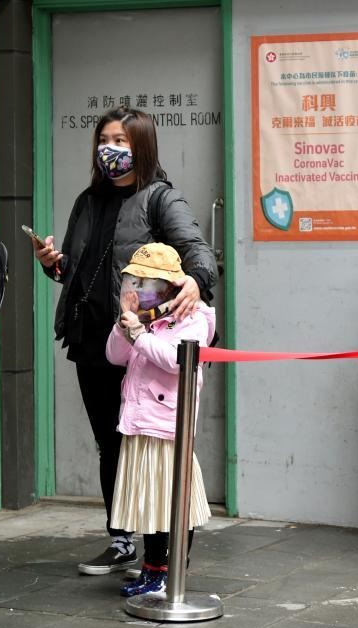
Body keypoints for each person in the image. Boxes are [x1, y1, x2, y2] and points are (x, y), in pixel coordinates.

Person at [31, 107, 217, 575]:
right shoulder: (87, 201)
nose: (109, 149)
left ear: (142, 146)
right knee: (109, 444)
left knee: (152, 445)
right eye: (104, 140)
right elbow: (80, 269)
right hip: (94, 338)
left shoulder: (160, 198)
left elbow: (198, 253)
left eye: (121, 140)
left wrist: (196, 280)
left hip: (145, 346)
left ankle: (163, 556)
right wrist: (53, 264)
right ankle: (121, 540)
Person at [105, 243, 214, 596]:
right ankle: (151, 567)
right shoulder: (143, 317)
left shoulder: (193, 318)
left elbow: (177, 360)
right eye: (134, 281)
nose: (139, 289)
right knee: (149, 503)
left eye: (147, 282)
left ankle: (172, 569)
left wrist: (139, 334)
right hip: (139, 422)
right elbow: (114, 356)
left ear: (168, 286)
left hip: (169, 429)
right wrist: (125, 324)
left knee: (174, 502)